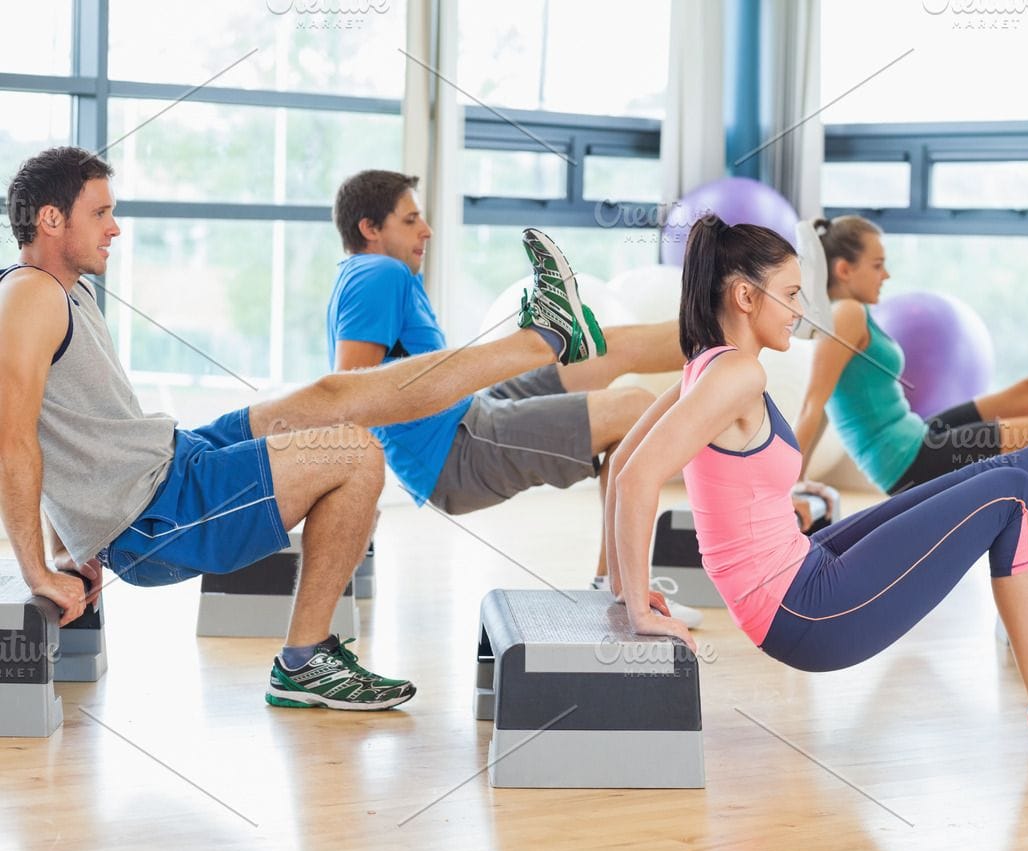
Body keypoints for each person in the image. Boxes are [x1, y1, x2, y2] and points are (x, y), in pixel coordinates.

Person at [0, 147, 605, 710]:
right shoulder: (30, 297)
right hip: (158, 511)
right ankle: (305, 661)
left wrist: (67, 546)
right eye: (101, 212)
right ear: (51, 219)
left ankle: (545, 336)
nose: (115, 228)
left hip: (174, 463)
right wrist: (40, 568)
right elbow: (13, 437)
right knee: (356, 454)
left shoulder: (63, 291)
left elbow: (63, 434)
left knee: (333, 396)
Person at [602, 214, 1028, 749]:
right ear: (745, 296)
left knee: (1004, 472)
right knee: (1012, 493)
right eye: (791, 294)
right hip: (806, 610)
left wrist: (624, 586)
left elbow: (626, 467)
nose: (802, 310)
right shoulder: (737, 375)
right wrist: (634, 605)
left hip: (799, 577)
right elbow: (635, 482)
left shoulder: (706, 368)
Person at [324, 170, 702, 628]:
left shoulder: (369, 275)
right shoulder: (379, 272)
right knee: (634, 408)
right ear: (370, 229)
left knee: (602, 346)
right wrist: (350, 493)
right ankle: (621, 588)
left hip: (467, 412)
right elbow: (350, 389)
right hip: (455, 450)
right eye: (410, 220)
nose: (426, 230)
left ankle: (716, 328)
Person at [794, 215, 1028, 536]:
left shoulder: (852, 312)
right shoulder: (846, 314)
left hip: (917, 437)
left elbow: (823, 407)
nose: (887, 275)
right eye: (877, 265)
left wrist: (799, 476)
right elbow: (813, 404)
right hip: (910, 462)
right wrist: (786, 487)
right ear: (843, 269)